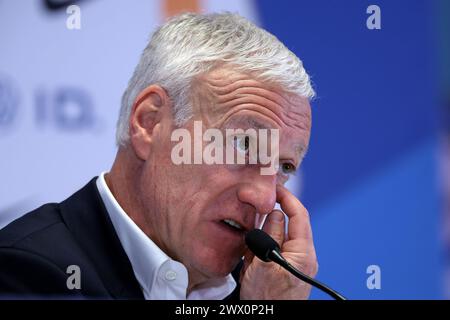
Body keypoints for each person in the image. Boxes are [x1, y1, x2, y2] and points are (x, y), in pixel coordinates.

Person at [0, 12, 318, 299]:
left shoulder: (255, 289)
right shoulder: (28, 272)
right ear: (149, 123)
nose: (264, 199)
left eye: (284, 166)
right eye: (244, 145)